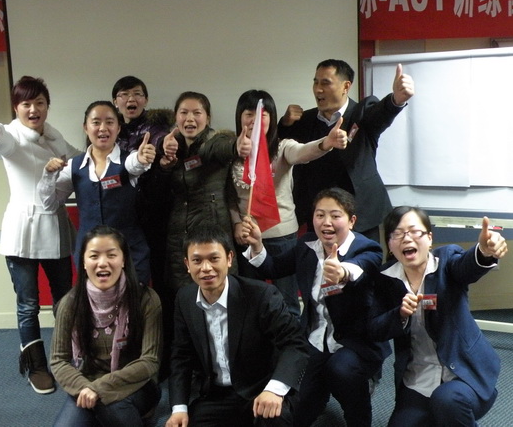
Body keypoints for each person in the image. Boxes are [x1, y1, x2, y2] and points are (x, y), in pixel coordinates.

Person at [242, 187, 390, 427]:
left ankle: (360, 407)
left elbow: (360, 268)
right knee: (297, 412)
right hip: (315, 339)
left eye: (335, 215)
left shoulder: (367, 248)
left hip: (355, 342)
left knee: (341, 371)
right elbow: (273, 268)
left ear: (352, 221)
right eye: (320, 215)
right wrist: (258, 245)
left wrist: (342, 272)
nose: (326, 222)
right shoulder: (307, 244)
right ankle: (320, 394)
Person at [0, 76, 81, 394]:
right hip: (22, 231)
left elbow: (80, 158)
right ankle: (36, 367)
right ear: (16, 107)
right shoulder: (13, 136)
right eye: (26, 104)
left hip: (55, 227)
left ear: (48, 105)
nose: (33, 109)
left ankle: (67, 360)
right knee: (28, 304)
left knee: (65, 300)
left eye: (39, 103)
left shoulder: (55, 136)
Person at [368, 206, 507, 427]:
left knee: (447, 401)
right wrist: (399, 314)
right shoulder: (385, 279)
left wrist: (483, 250)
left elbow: (467, 266)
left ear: (429, 238)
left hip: (464, 374)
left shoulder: (446, 260)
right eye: (398, 234)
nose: (407, 238)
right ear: (390, 245)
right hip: (418, 378)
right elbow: (375, 329)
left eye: (415, 231)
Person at [165, 223, 309, 427]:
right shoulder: (184, 299)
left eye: (214, 259)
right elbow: (181, 356)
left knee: (274, 419)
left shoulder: (261, 295)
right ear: (187, 264)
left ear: (229, 259)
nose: (206, 268)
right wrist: (179, 408)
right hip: (216, 395)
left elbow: (295, 343)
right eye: (197, 260)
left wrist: (274, 389)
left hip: (262, 388)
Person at [230, 89, 348, 317]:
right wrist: (236, 224)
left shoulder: (282, 147)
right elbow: (229, 196)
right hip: (247, 236)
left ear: (272, 118)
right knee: (250, 301)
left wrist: (326, 142)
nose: (255, 120)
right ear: (239, 118)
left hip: (282, 236)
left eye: (263, 114)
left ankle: (291, 338)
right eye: (249, 114)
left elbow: (304, 152)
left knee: (287, 302)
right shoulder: (230, 151)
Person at [277, 59, 414, 242]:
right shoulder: (305, 120)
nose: (318, 89)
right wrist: (285, 124)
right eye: (316, 82)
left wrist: (395, 100)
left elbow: (380, 115)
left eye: (325, 83)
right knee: (318, 260)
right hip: (318, 214)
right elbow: (282, 149)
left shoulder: (362, 112)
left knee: (363, 258)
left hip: (360, 214)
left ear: (346, 86)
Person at [51, 225, 162, 426]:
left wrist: (98, 388)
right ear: (84, 262)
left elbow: (150, 361)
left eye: (111, 255)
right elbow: (58, 361)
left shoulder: (145, 299)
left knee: (112, 407)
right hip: (86, 383)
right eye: (94, 256)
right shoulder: (70, 303)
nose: (103, 263)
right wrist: (86, 388)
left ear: (123, 260)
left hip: (136, 384)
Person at [38, 101, 155, 286]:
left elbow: (136, 164)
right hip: (90, 257)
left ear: (118, 128)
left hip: (130, 253)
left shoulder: (128, 160)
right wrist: (48, 175)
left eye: (109, 122)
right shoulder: (74, 166)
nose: (103, 128)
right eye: (96, 122)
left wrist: (142, 159)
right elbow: (49, 203)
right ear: (86, 127)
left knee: (133, 301)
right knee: (93, 301)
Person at [159, 91, 250, 293]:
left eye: (197, 113)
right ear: (176, 117)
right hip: (178, 239)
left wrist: (236, 146)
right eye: (184, 112)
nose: (190, 118)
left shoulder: (216, 140)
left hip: (212, 235)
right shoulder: (172, 144)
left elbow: (217, 148)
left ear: (207, 118)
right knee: (183, 297)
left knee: (219, 294)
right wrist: (163, 153)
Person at [112, 76, 174, 295]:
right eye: (124, 95)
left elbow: (160, 140)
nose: (131, 99)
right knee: (124, 274)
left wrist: (164, 146)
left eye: (137, 94)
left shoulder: (156, 128)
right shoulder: (111, 130)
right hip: (122, 213)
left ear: (145, 100)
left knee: (159, 272)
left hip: (154, 213)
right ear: (115, 102)